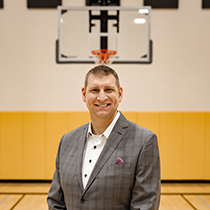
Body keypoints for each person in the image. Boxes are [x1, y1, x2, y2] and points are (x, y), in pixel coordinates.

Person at [47, 64, 161, 210]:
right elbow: (56, 202)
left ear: (120, 94)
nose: (102, 97)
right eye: (94, 90)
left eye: (109, 89)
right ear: (84, 94)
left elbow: (145, 205)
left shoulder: (144, 141)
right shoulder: (67, 141)